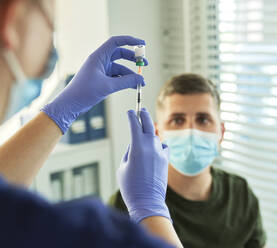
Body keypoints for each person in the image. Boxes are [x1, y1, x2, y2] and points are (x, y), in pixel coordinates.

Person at [0, 0, 182, 247]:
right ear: (14, 19)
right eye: (51, 27)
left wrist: (61, 111)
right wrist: (149, 207)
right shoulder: (84, 233)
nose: (51, 48)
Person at [109, 73, 267, 248]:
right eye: (177, 120)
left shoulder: (241, 195)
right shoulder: (130, 204)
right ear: (157, 133)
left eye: (203, 119)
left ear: (221, 132)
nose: (191, 131)